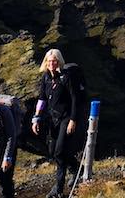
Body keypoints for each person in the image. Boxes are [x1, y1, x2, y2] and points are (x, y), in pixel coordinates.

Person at [31, 49, 82, 198]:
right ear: (45, 63)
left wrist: (73, 120)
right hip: (52, 119)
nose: (51, 64)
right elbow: (42, 99)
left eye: (54, 61)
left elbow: (74, 100)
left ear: (59, 62)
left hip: (66, 118)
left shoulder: (66, 78)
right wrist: (36, 118)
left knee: (59, 151)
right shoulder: (46, 78)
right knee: (53, 151)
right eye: (49, 61)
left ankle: (58, 190)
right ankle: (76, 167)